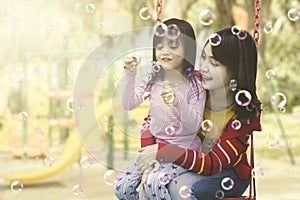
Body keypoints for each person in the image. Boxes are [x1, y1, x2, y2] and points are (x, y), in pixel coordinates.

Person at [136, 26, 262, 200]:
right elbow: (151, 121)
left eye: (214, 63)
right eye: (203, 57)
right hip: (183, 161)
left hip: (225, 173)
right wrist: (149, 155)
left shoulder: (243, 115)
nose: (203, 68)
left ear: (236, 71)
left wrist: (163, 151)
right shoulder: (192, 86)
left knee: (177, 188)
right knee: (141, 184)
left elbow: (213, 163)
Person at [114, 18, 206, 200]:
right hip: (156, 152)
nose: (164, 51)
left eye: (173, 45)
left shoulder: (195, 85)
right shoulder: (153, 78)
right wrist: (130, 74)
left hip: (183, 152)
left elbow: (194, 126)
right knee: (122, 187)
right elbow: (128, 103)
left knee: (153, 184)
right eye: (160, 46)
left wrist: (178, 102)